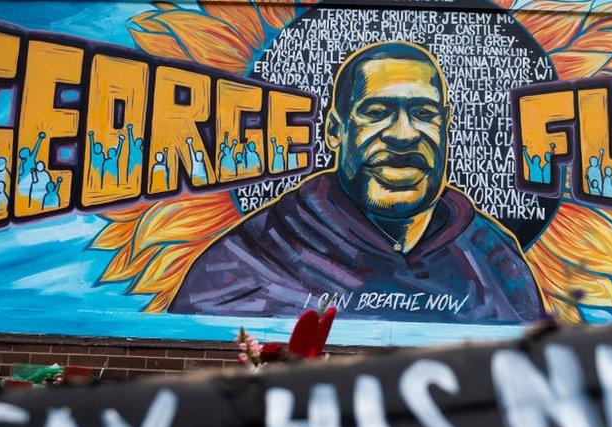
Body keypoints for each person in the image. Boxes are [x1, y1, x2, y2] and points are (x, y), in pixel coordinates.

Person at [170, 42, 544, 322]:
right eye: (377, 112)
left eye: (424, 113)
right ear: (335, 130)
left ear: (446, 128)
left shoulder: (493, 258)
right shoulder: (253, 257)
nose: (403, 135)